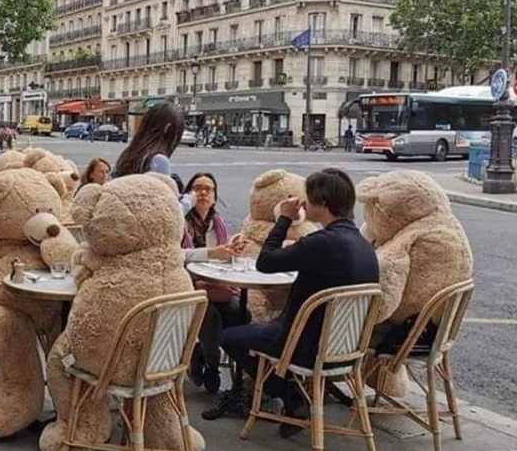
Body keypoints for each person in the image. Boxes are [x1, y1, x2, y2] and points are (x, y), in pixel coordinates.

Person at [210, 168, 380, 433]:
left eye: (308, 200)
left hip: (303, 344)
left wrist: (284, 219)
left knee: (229, 336)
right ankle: (296, 395)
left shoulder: (322, 242)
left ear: (322, 204)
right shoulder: (364, 246)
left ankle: (290, 393)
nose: (305, 204)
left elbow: (265, 262)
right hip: (348, 348)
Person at [181, 173, 244, 394]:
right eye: (197, 188)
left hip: (218, 285)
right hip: (188, 286)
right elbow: (175, 254)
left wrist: (230, 250)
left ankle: (204, 355)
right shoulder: (180, 221)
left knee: (240, 311)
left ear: (215, 197)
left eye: (208, 189)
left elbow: (221, 257)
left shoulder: (218, 224)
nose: (203, 193)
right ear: (188, 194)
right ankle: (212, 365)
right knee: (210, 316)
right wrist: (211, 253)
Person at [112, 102, 195, 215]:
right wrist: (189, 201)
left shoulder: (127, 155)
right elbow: (163, 213)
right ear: (168, 129)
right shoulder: (158, 161)